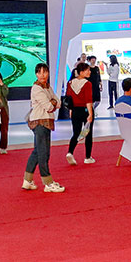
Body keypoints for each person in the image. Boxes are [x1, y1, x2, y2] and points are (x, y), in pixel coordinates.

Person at [23, 63, 64, 192]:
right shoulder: (36, 88)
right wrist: (53, 102)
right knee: (43, 153)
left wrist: (53, 102)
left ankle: (27, 180)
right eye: (39, 72)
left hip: (46, 122)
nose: (42, 75)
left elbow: (58, 103)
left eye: (45, 72)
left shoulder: (48, 87)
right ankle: (48, 183)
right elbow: (49, 106)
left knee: (37, 151)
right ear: (36, 74)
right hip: (40, 123)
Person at [66, 62, 95, 165]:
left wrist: (70, 110)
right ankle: (87, 157)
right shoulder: (87, 84)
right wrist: (90, 114)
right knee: (88, 133)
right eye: (87, 70)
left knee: (76, 133)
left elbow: (68, 99)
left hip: (75, 111)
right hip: (85, 111)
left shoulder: (70, 83)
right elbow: (88, 101)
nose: (89, 72)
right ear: (81, 72)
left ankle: (70, 152)